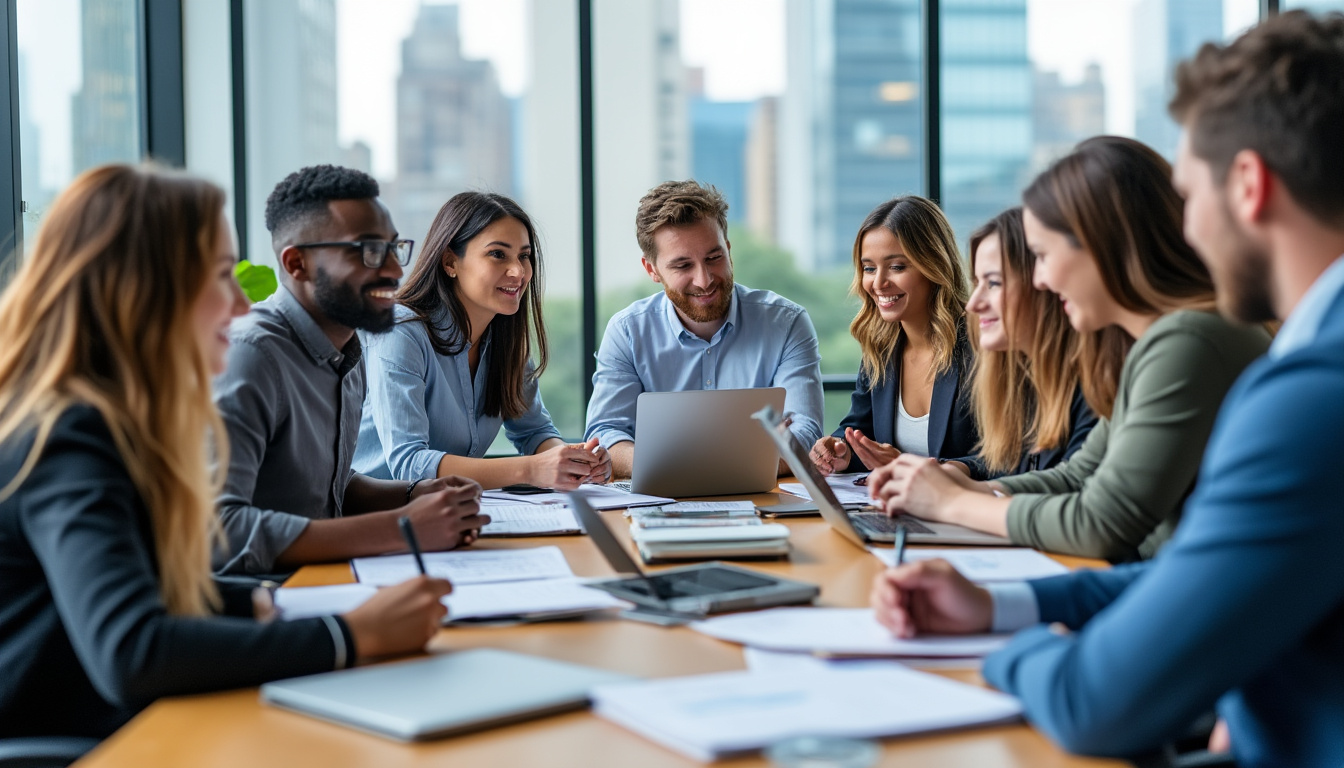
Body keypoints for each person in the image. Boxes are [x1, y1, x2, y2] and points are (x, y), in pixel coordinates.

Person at [871, 11, 1344, 766]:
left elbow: (1095, 704)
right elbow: (1184, 579)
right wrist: (999, 603)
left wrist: (1001, 645)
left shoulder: (1312, 391)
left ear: (1249, 186)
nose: (1184, 230)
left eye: (1189, 197)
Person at [0, 164, 454, 740]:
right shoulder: (66, 433)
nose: (241, 304)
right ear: (144, 286)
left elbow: (154, 583)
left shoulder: (119, 419)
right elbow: (133, 651)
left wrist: (257, 608)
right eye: (220, 275)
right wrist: (351, 634)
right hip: (91, 743)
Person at [870, 137, 1269, 561]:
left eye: (1042, 254)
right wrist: (964, 488)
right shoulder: (1161, 343)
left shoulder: (1187, 342)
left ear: (1102, 246)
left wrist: (953, 504)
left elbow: (1101, 524)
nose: (1040, 279)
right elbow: (1080, 475)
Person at [213, 165, 488, 576]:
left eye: (395, 249)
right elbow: (218, 531)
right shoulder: (252, 355)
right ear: (297, 264)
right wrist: (403, 529)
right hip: (265, 604)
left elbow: (326, 489)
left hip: (330, 579)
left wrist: (414, 493)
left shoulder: (347, 348)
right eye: (368, 250)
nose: (395, 270)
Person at [354, 191, 610, 489]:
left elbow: (534, 433)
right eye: (497, 254)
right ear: (450, 262)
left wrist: (575, 461)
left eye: (524, 256)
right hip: (378, 517)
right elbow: (410, 464)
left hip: (452, 513)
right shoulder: (400, 332)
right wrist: (531, 469)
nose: (518, 272)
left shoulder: (507, 342)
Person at [584, 180, 824, 478]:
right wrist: (731, 461)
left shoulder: (786, 323)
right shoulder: (627, 332)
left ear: (729, 249)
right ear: (652, 270)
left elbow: (805, 431)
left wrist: (679, 465)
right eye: (683, 266)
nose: (704, 280)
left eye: (714, 258)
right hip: (662, 506)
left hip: (763, 503)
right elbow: (606, 434)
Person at [809, 196, 977, 476]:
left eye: (897, 267)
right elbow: (860, 428)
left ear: (933, 266)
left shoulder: (981, 345)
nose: (878, 283)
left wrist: (912, 469)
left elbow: (1008, 460)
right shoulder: (881, 346)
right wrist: (841, 449)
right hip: (893, 512)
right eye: (869, 268)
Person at [962, 208, 1097, 479]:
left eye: (994, 283)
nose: (972, 304)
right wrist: (953, 470)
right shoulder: (1022, 378)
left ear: (1045, 285)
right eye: (977, 283)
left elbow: (1071, 496)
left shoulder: (1094, 386)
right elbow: (1003, 468)